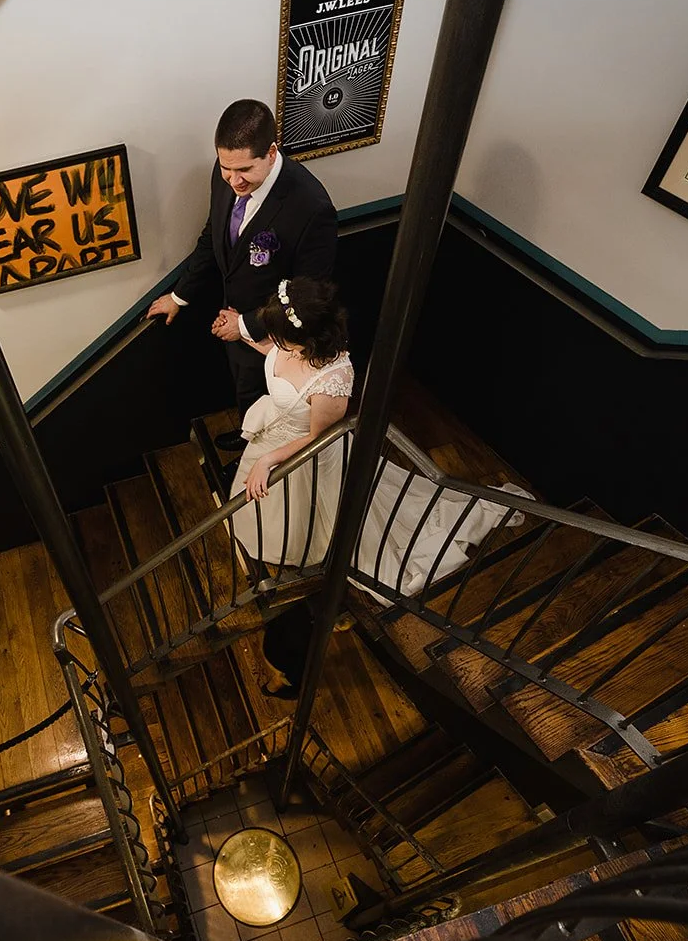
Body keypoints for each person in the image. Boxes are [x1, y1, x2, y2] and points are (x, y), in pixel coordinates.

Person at [226, 278, 531, 699]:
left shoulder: (333, 380)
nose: (272, 339)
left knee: (307, 516)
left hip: (305, 459)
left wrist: (270, 459)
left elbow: (317, 440)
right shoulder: (288, 346)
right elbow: (276, 360)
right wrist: (245, 336)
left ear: (304, 338)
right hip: (274, 439)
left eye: (278, 334)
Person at [147, 99, 338, 453]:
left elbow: (311, 294)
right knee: (246, 393)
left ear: (271, 152)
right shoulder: (224, 176)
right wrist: (179, 295)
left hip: (277, 337)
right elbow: (211, 238)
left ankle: (264, 455)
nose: (233, 180)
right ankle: (250, 433)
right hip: (230, 317)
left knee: (272, 407)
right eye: (225, 168)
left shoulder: (312, 208)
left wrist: (246, 325)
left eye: (244, 170)